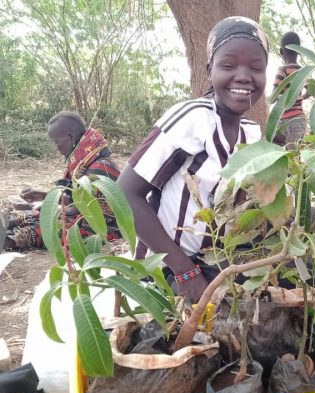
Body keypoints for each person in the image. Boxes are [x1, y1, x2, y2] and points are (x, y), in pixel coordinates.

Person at [118, 16, 268, 302]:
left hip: (214, 267)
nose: (243, 76)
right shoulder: (192, 119)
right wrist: (185, 272)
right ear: (209, 70)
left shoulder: (252, 135)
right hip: (167, 269)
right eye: (228, 65)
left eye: (256, 68)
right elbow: (125, 193)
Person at [2, 111, 121, 252]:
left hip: (99, 229)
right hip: (80, 217)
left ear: (70, 137)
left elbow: (78, 208)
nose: (56, 147)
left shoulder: (100, 167)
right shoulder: (87, 161)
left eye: (56, 141)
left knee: (37, 230)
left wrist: (42, 206)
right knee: (23, 218)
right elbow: (75, 199)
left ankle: (8, 241)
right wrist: (44, 196)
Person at [272, 31, 309, 148]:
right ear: (299, 51)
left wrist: (284, 99)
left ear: (281, 52)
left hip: (284, 121)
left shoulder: (282, 71)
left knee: (279, 153)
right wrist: (299, 97)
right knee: (295, 156)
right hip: (299, 119)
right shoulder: (303, 71)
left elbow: (274, 95)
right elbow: (311, 91)